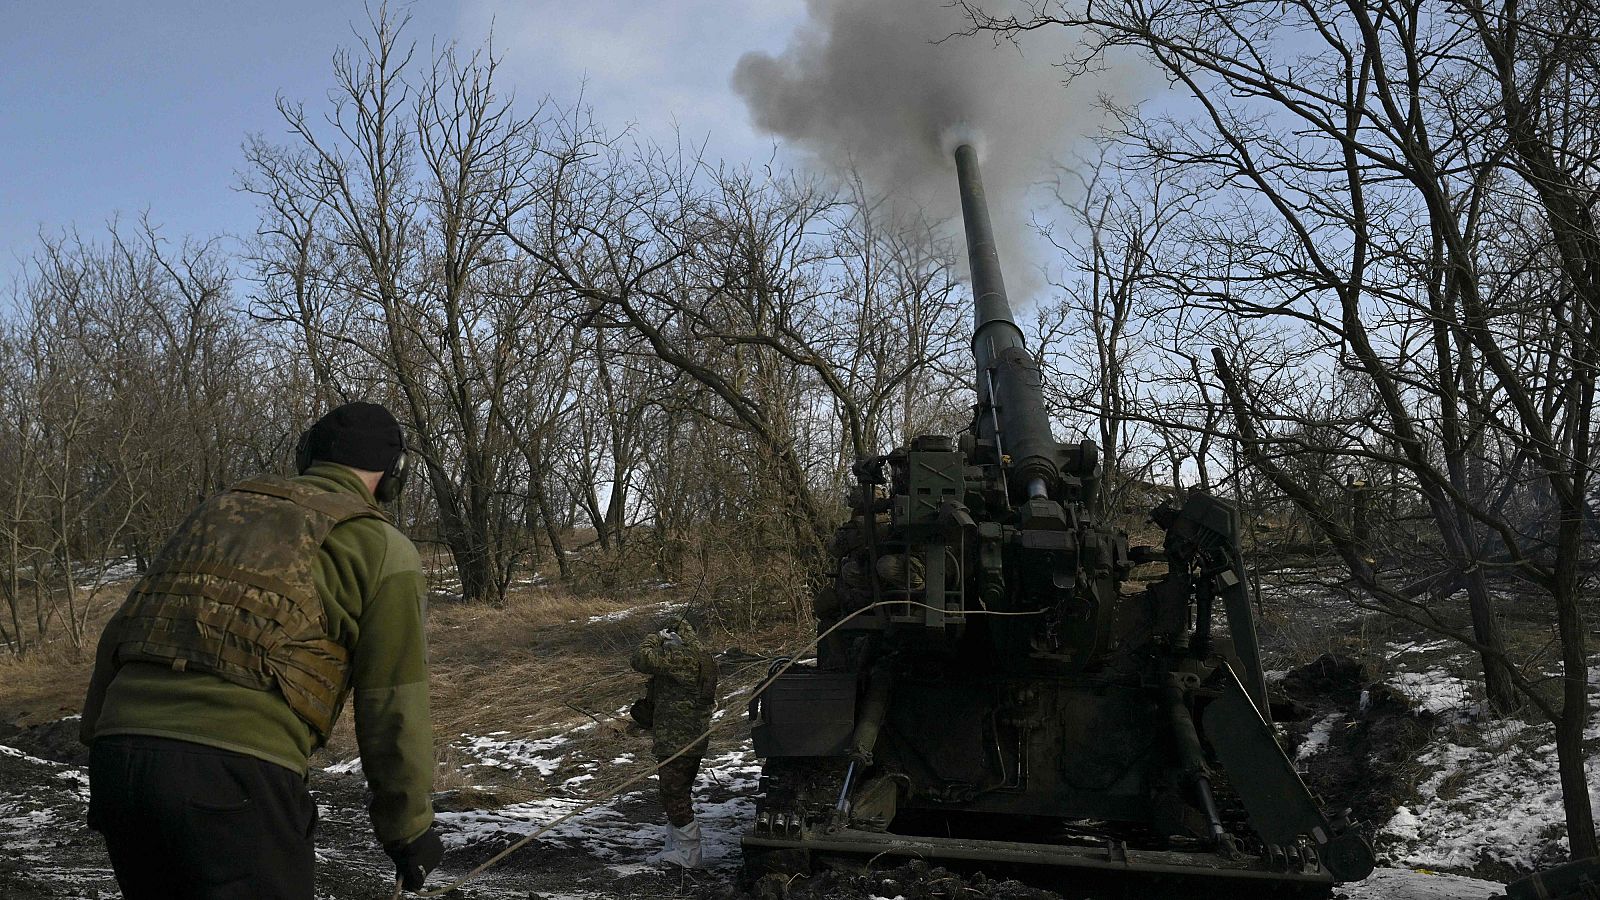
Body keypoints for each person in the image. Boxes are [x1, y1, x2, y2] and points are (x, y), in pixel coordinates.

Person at [79, 401, 442, 899]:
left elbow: (125, 630)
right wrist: (408, 830)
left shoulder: (218, 511)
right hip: (234, 773)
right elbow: (393, 700)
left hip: (120, 759)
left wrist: (100, 741)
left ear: (307, 457)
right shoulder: (379, 545)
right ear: (393, 475)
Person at [630, 620, 718, 868]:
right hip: (689, 736)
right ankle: (676, 847)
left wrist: (654, 637)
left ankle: (689, 855)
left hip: (678, 739)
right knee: (675, 793)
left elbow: (640, 659)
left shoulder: (682, 657)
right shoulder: (702, 656)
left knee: (674, 795)